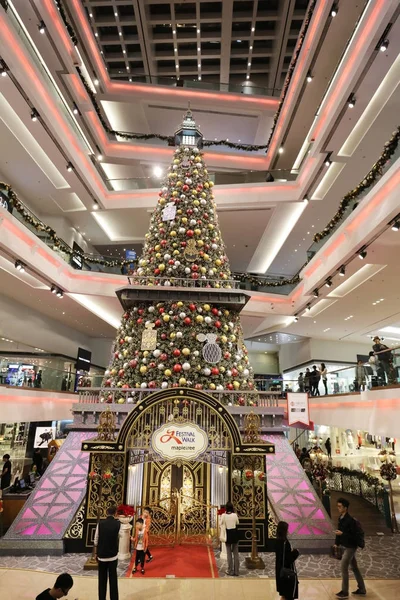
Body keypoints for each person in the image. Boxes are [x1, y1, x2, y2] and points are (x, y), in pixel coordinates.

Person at [334, 497, 366, 598]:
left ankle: (344, 592)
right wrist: (336, 543)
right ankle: (362, 589)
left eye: (340, 506)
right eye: (337, 506)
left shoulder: (350, 520)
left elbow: (353, 536)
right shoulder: (341, 518)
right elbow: (338, 532)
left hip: (350, 547)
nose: (338, 508)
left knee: (344, 567)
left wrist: (342, 534)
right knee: (354, 568)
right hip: (345, 545)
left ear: (345, 508)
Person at [94, 504, 121, 600]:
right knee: (113, 580)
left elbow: (96, 540)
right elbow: (120, 536)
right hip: (113, 556)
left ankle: (102, 598)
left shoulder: (100, 524)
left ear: (106, 513)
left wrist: (96, 554)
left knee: (102, 580)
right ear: (115, 513)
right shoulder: (118, 524)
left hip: (102, 556)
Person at [275, 520, 299, 600]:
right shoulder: (285, 543)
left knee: (284, 595)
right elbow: (288, 559)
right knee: (288, 595)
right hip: (287, 573)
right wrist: (296, 552)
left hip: (280, 571)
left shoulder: (277, 541)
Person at [220, 501, 240, 576]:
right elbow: (237, 523)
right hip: (234, 534)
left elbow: (220, 523)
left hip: (228, 534)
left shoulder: (224, 515)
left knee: (229, 553)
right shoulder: (235, 515)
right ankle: (237, 571)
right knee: (236, 553)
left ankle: (230, 570)